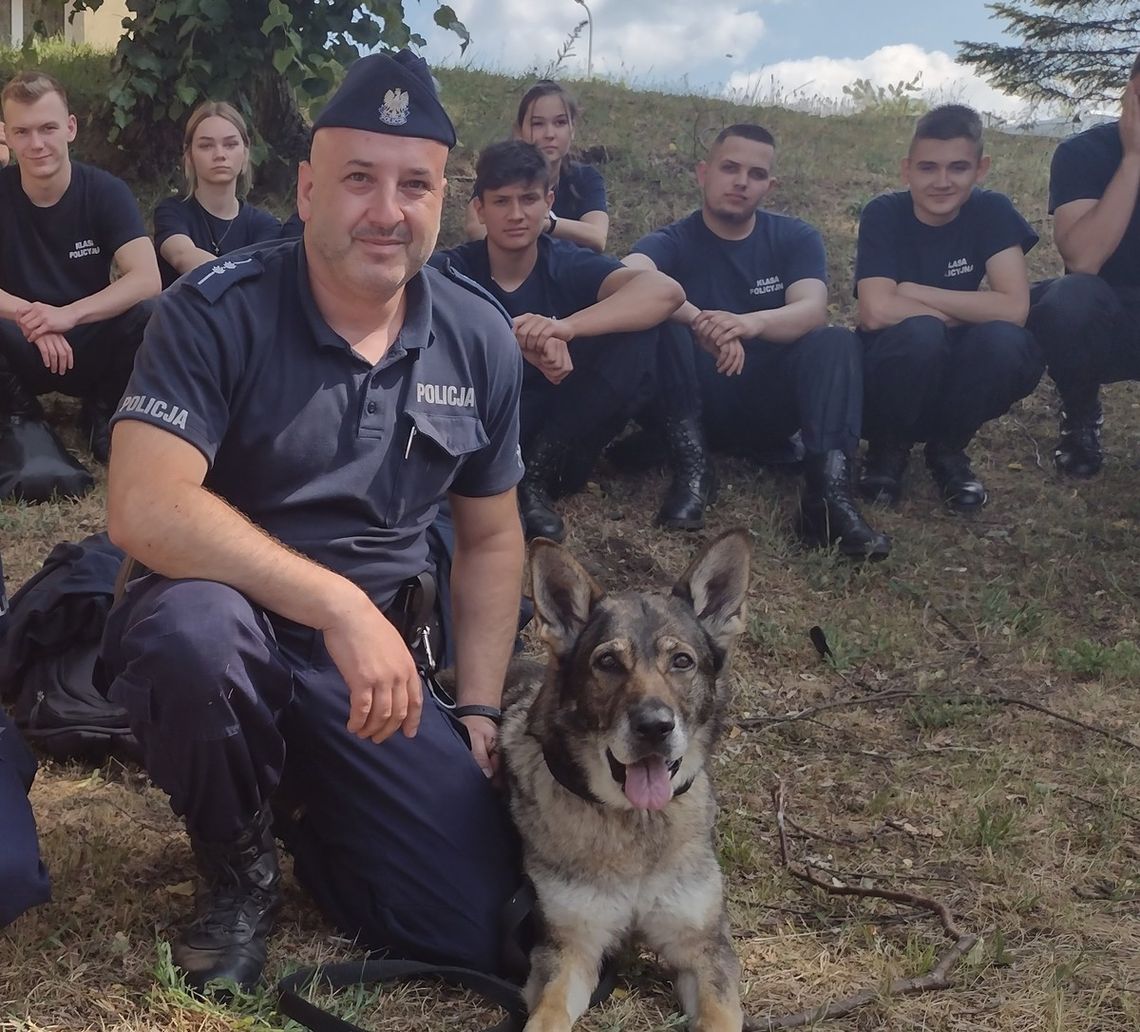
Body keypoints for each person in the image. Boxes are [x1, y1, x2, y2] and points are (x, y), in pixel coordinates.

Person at [101, 50, 526, 993]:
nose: (387, 210)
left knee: (466, 929)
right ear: (303, 190)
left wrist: (484, 705)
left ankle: (303, 791)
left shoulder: (478, 334)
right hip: (228, 620)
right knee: (196, 641)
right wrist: (335, 604)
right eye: (358, 180)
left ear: (445, 200)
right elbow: (142, 505)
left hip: (376, 670)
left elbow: (493, 538)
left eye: (414, 184)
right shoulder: (217, 312)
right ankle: (236, 866)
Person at [624, 123, 889, 559]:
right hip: (689, 399)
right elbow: (626, 274)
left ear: (770, 184)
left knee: (835, 342)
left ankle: (828, 497)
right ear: (703, 173)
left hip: (766, 400)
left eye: (756, 174)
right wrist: (702, 323)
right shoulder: (674, 239)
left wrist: (749, 324)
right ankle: (693, 469)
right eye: (729, 168)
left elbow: (811, 308)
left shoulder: (795, 237)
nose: (741, 182)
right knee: (661, 317)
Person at [433, 139, 681, 541]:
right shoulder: (452, 269)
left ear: (548, 201)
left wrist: (564, 328)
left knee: (643, 331)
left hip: (560, 434)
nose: (516, 214)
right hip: (482, 430)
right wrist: (515, 342)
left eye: (529, 199)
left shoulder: (564, 260)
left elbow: (664, 291)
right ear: (479, 209)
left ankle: (535, 481)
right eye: (501, 202)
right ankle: (504, 485)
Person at [855, 104, 1043, 511]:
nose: (942, 182)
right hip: (892, 367)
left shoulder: (992, 210)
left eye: (958, 168)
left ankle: (948, 450)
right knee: (922, 332)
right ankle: (888, 450)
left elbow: (1014, 310)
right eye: (927, 168)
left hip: (958, 362)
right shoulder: (884, 212)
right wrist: (970, 311)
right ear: (907, 170)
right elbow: (874, 312)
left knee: (1007, 343)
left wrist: (914, 291)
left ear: (981, 168)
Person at [0, 71, 160, 464]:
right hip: (19, 339)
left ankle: (103, 410)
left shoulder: (106, 192)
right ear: (7, 135)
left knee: (155, 311)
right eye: (22, 132)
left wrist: (67, 315)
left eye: (48, 128)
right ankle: (21, 417)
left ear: (70, 128)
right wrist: (33, 317)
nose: (36, 144)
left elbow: (147, 277)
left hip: (88, 338)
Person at [1028, 53, 1140, 477]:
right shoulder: (1084, 152)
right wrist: (1133, 160)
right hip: (1106, 312)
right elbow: (1083, 258)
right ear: (1132, 90)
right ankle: (1080, 416)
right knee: (1068, 300)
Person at [463, 80, 608, 252]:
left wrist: (547, 223)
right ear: (519, 130)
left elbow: (598, 237)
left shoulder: (585, 177)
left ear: (573, 129)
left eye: (560, 123)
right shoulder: (499, 170)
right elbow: (476, 228)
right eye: (537, 124)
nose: (549, 134)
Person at [154, 101, 281, 289]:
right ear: (189, 156)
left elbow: (264, 282)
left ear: (245, 154)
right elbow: (181, 256)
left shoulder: (265, 226)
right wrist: (243, 275)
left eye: (230, 144)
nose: (219, 154)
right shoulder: (171, 212)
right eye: (206, 146)